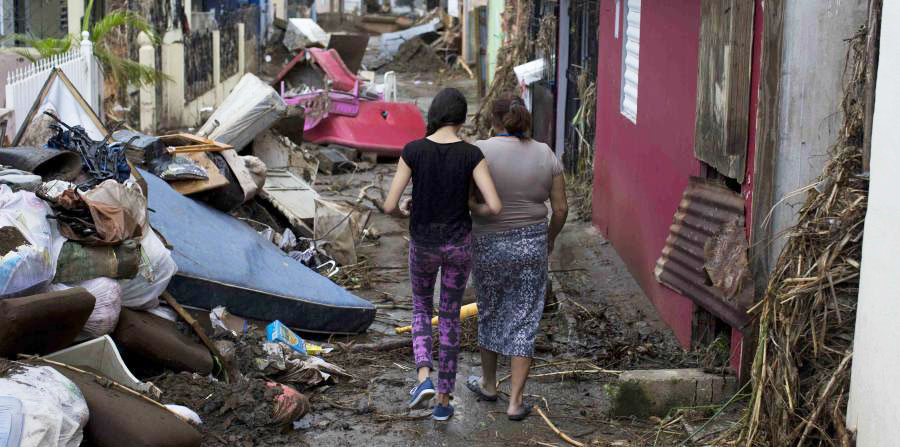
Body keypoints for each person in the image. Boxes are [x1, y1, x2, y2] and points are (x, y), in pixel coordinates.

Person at [383, 88, 502, 421]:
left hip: (423, 244)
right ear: (462, 119)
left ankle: (424, 378)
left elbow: (390, 205)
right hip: (458, 246)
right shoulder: (471, 154)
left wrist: (408, 210)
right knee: (449, 316)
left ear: (433, 113)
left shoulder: (413, 151)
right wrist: (469, 204)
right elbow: (494, 206)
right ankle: (445, 401)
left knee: (421, 307)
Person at [465, 93, 568, 421]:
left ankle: (489, 384)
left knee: (491, 310)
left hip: (487, 243)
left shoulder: (478, 152)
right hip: (531, 245)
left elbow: (465, 198)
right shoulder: (545, 153)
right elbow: (562, 208)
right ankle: (516, 401)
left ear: (493, 121)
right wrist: (549, 238)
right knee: (524, 318)